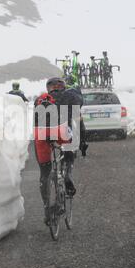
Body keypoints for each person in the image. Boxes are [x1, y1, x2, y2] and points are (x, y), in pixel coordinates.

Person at [33, 77, 86, 225]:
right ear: (63, 86)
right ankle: (67, 173)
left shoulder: (39, 99)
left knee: (44, 173)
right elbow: (78, 120)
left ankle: (47, 211)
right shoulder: (71, 95)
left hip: (41, 134)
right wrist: (82, 141)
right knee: (70, 147)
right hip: (62, 132)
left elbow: (35, 122)